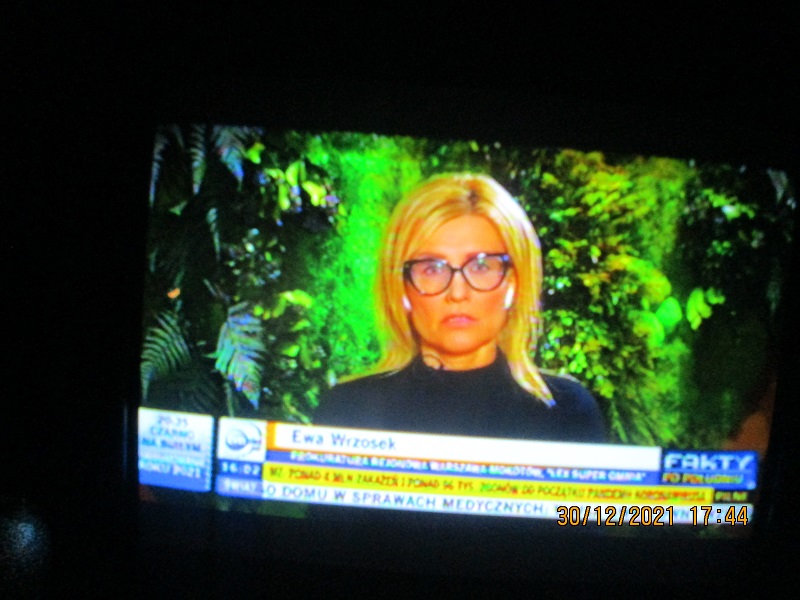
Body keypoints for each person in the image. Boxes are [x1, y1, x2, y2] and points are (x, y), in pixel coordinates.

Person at [314, 173, 606, 443]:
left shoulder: (566, 412)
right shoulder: (348, 410)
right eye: (432, 269)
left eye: (481, 266)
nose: (457, 293)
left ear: (514, 281)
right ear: (402, 286)